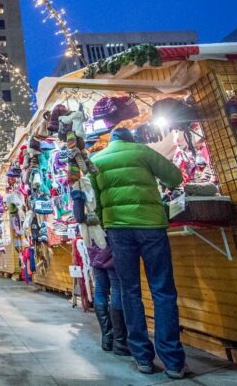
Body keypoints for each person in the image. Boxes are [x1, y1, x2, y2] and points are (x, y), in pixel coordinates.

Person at [88, 128, 186, 379]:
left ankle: (142, 357)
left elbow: (95, 203)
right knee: (162, 290)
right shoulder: (143, 152)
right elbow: (175, 177)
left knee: (130, 291)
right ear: (131, 139)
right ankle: (173, 362)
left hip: (118, 231)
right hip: (151, 226)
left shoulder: (97, 161)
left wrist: (107, 224)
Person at [87, 223, 130, 356]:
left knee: (100, 289)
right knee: (117, 288)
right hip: (109, 238)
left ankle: (107, 338)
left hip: (92, 239)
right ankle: (120, 341)